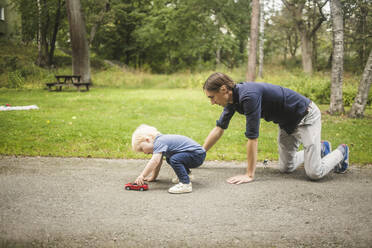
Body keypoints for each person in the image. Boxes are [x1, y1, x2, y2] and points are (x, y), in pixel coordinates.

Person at [202, 72, 349, 185]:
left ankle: (342, 152)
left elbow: (252, 138)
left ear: (223, 89)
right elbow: (219, 128)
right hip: (286, 123)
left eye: (212, 97)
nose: (212, 102)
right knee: (286, 167)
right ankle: (321, 148)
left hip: (305, 116)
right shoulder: (232, 100)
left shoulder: (249, 96)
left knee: (315, 173)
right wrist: (199, 155)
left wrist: (249, 175)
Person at [132, 124, 206, 194]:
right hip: (196, 154)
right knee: (170, 158)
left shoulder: (159, 142)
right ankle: (187, 175)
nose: (144, 152)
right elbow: (158, 163)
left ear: (147, 140)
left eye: (142, 149)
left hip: (197, 155)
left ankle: (185, 184)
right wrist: (153, 177)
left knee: (174, 159)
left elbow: (154, 161)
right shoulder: (160, 142)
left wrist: (142, 176)